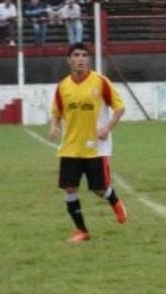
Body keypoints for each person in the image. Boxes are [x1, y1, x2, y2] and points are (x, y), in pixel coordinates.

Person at [49, 42, 127, 243]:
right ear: (69, 60)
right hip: (71, 146)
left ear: (88, 59)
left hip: (96, 148)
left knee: (99, 189)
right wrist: (54, 126)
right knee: (69, 188)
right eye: (76, 55)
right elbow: (57, 112)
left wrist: (107, 127)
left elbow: (119, 108)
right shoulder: (63, 86)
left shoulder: (100, 82)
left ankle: (115, 200)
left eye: (84, 54)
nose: (81, 58)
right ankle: (81, 230)